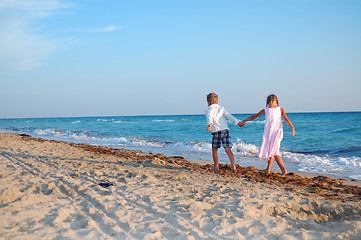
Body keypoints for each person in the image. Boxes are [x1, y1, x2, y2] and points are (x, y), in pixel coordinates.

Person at [240, 94, 295, 177]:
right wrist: (244, 120)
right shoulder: (266, 110)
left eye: (274, 102)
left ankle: (283, 170)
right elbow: (254, 116)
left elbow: (286, 119)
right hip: (269, 134)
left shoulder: (280, 109)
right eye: (271, 102)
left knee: (275, 152)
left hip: (276, 133)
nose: (272, 104)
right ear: (268, 103)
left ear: (277, 102)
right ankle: (268, 169)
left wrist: (292, 128)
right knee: (270, 150)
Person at [205, 93, 245, 172]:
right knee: (227, 149)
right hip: (225, 131)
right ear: (217, 101)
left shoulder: (208, 109)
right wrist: (238, 122)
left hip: (216, 132)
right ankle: (233, 164)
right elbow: (229, 116)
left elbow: (209, 118)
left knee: (214, 150)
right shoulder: (221, 108)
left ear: (208, 102)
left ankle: (216, 166)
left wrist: (209, 126)